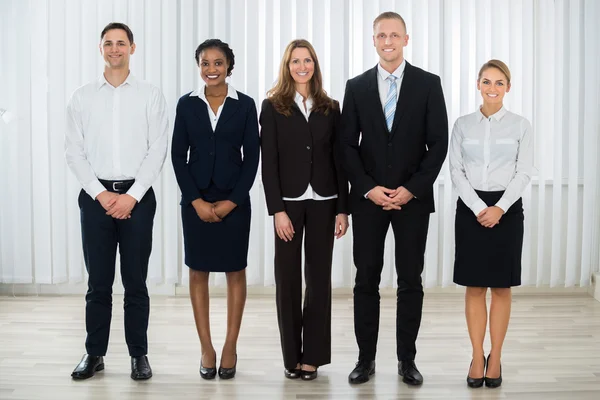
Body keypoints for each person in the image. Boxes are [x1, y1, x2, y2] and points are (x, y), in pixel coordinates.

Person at [341, 11, 448, 385]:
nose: (388, 41)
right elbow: (346, 147)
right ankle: (365, 360)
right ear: (373, 41)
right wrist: (369, 188)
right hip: (368, 201)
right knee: (365, 280)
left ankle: (407, 361)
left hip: (412, 201)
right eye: (381, 35)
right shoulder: (356, 87)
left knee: (410, 281)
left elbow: (438, 145)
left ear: (406, 39)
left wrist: (412, 188)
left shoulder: (428, 84)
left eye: (395, 35)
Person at [65, 22, 168, 381]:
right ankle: (95, 353)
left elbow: (157, 151)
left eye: (120, 43)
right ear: (100, 48)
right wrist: (103, 194)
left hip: (138, 198)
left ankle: (138, 355)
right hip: (96, 198)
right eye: (108, 43)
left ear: (132, 49)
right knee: (99, 283)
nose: (114, 49)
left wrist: (132, 196)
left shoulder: (150, 94)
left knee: (135, 282)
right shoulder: (81, 96)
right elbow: (74, 153)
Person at [260, 39, 349, 381]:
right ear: (287, 66)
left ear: (315, 64)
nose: (302, 66)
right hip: (289, 206)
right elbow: (269, 164)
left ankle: (312, 357)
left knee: (318, 280)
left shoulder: (331, 107)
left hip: (325, 203)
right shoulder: (272, 107)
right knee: (287, 279)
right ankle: (290, 357)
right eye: (295, 60)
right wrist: (277, 211)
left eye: (307, 60)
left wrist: (343, 209)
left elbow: (339, 162)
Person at [171, 39, 260, 380]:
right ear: (199, 67)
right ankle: (206, 347)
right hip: (195, 201)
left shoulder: (245, 105)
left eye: (218, 63)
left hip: (234, 201)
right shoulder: (187, 105)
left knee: (235, 271)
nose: (212, 69)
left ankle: (230, 346)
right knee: (198, 272)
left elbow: (252, 157)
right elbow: (179, 156)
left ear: (229, 66)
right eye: (205, 63)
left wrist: (232, 201)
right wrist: (195, 200)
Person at [449, 59, 532, 389]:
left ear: (508, 87)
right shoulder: (462, 125)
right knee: (474, 286)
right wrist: (478, 207)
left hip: (507, 209)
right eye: (487, 82)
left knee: (501, 286)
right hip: (470, 209)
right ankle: (476, 355)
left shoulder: (520, 125)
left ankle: (495, 356)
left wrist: (498, 207)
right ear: (478, 84)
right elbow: (456, 171)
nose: (492, 88)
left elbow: (524, 171)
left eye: (499, 83)